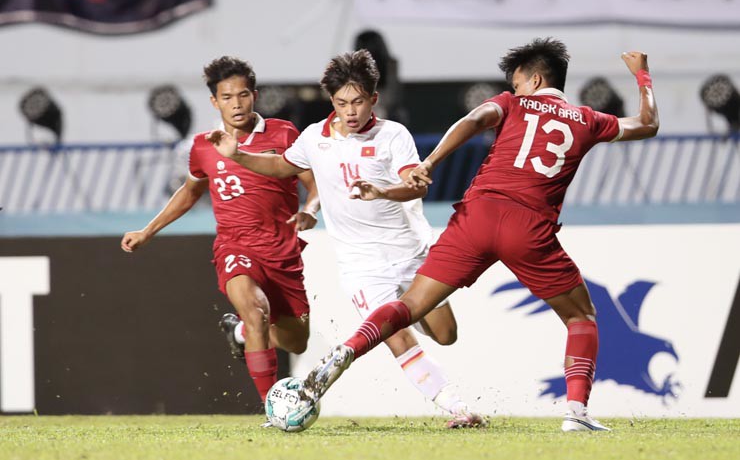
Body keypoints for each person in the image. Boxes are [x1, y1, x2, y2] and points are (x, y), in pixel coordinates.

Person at [299, 40, 660, 432]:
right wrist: (642, 74)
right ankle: (576, 413)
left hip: (477, 216)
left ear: (535, 79)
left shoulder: (511, 104)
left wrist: (431, 161)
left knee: (412, 305)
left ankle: (349, 349)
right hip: (529, 228)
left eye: (518, 82)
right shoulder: (588, 119)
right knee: (581, 316)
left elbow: (472, 120)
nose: (516, 88)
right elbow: (647, 124)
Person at [206, 49, 485, 428]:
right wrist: (238, 155)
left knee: (446, 334)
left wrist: (384, 191)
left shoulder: (392, 135)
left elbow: (411, 184)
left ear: (374, 98)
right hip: (362, 265)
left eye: (357, 102)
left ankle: (409, 315)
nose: (350, 111)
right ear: (331, 102)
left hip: (411, 253)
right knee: (396, 338)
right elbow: (280, 165)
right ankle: (458, 408)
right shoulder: (313, 139)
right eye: (341, 103)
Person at [121, 56, 320, 406]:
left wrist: (309, 210)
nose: (236, 104)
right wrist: (148, 231)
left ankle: (241, 332)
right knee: (256, 310)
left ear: (254, 96)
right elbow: (189, 192)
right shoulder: (203, 146)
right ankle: (272, 406)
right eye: (227, 97)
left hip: (282, 251)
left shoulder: (284, 133)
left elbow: (313, 186)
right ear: (215, 101)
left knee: (295, 340)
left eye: (242, 95)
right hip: (235, 247)